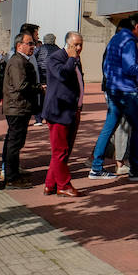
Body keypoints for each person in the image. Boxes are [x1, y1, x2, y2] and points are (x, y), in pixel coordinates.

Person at [89, 13, 138, 181]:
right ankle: (134, 169)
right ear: (137, 27)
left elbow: (107, 65)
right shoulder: (129, 42)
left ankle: (96, 167)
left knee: (109, 128)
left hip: (114, 90)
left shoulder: (115, 40)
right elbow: (130, 69)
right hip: (126, 91)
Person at [43, 32, 85, 197]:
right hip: (58, 111)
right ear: (68, 44)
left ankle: (50, 184)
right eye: (76, 45)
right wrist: (72, 59)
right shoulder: (56, 58)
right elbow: (62, 75)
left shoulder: (75, 59)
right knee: (60, 151)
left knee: (63, 151)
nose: (79, 48)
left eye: (81, 44)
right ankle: (63, 185)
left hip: (72, 110)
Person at [2, 32, 40, 188]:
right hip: (16, 107)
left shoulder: (23, 60)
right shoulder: (18, 61)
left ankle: (13, 173)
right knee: (14, 142)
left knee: (16, 142)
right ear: (19, 45)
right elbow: (20, 86)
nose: (33, 46)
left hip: (19, 107)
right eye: (29, 43)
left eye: (33, 43)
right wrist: (39, 88)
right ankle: (11, 177)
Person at [33, 33, 62, 126]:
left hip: (40, 76)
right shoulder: (58, 50)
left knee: (39, 97)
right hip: (53, 77)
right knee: (52, 97)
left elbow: (32, 58)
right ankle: (51, 117)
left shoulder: (39, 48)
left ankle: (39, 119)